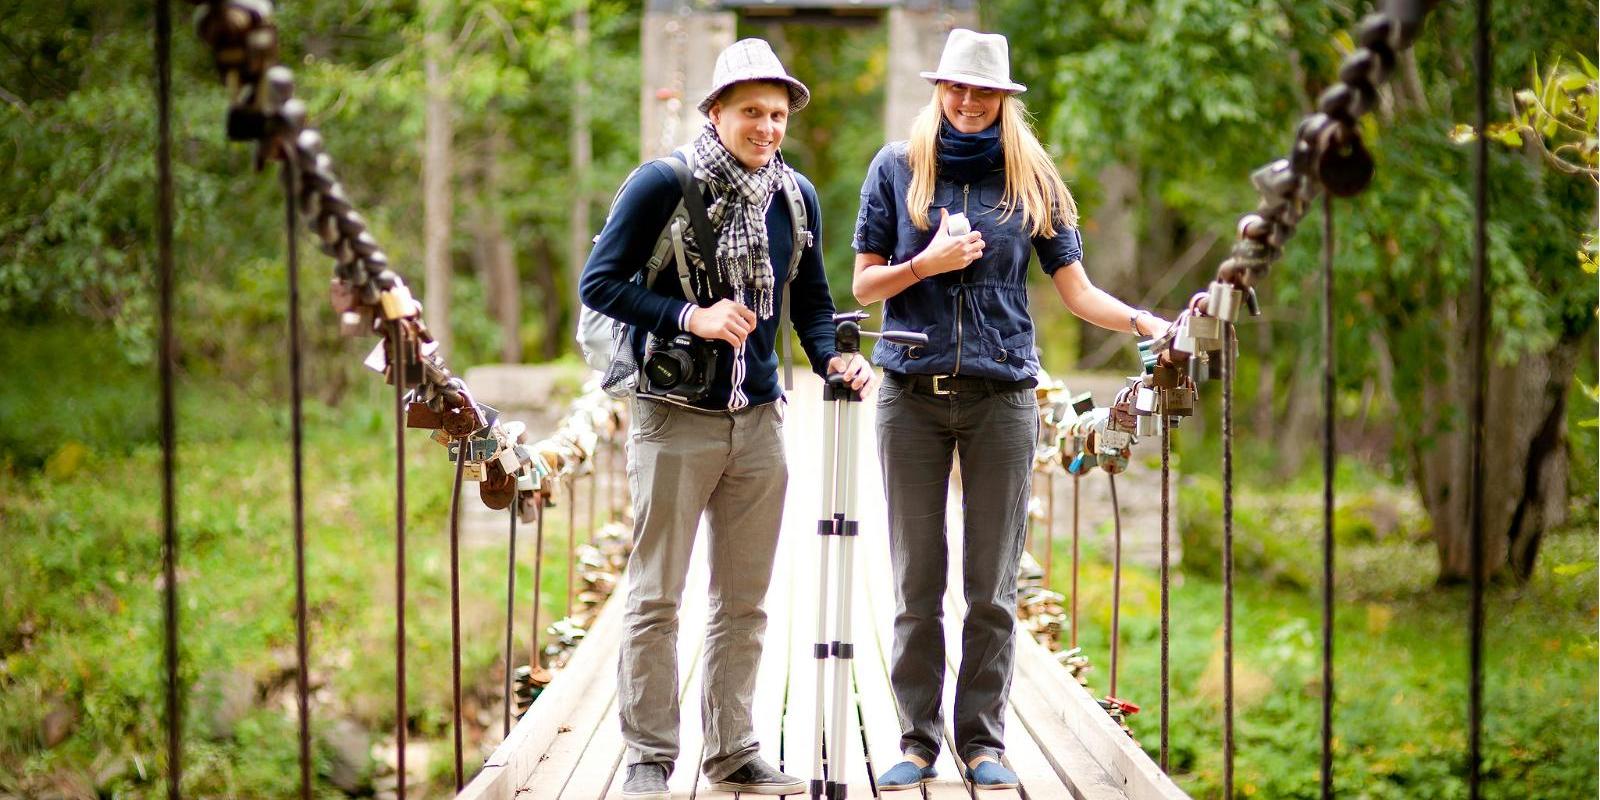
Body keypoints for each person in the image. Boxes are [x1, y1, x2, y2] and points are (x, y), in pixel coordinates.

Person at [850, 28, 1171, 790]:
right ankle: (918, 739)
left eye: (983, 90)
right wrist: (925, 264)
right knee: (917, 581)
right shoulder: (896, 169)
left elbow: (1078, 292)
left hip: (1002, 397)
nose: (968, 102)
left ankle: (984, 742)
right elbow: (863, 288)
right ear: (939, 89)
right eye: (957, 88)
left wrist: (1146, 323)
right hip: (910, 396)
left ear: (1004, 99)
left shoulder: (1033, 180)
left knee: (990, 584)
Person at [579, 38, 873, 800]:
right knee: (656, 596)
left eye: (777, 114)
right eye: (751, 111)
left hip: (760, 420)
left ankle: (734, 748)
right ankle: (649, 755)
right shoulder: (661, 184)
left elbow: (809, 300)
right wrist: (690, 315)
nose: (767, 127)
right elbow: (600, 283)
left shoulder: (794, 196)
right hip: (673, 418)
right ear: (716, 112)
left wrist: (831, 359)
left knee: (742, 600)